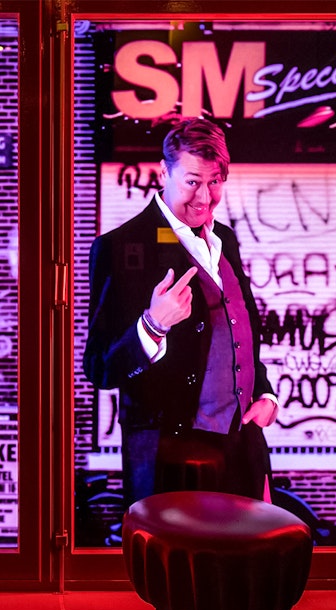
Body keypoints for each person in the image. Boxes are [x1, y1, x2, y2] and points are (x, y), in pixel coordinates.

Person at [82, 117, 279, 507]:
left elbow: (238, 329)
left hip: (241, 448)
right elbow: (100, 368)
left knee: (244, 564)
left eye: (215, 182)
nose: (204, 197)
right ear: (163, 173)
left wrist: (264, 393)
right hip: (166, 458)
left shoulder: (226, 239)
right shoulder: (120, 248)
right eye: (192, 181)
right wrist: (153, 325)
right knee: (178, 567)